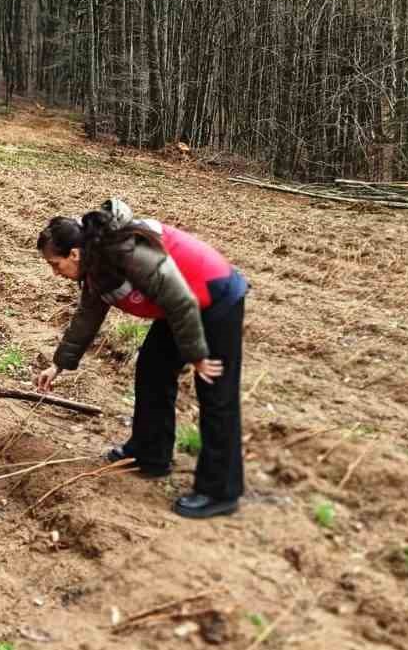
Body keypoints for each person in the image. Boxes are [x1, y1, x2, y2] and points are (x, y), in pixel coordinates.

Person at [33, 198, 248, 519]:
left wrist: (198, 356)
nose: (55, 272)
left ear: (74, 254)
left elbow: (180, 299)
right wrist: (59, 364)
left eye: (55, 264)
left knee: (216, 392)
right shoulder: (95, 264)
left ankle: (220, 491)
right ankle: (150, 454)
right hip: (179, 308)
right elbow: (87, 317)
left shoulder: (128, 254)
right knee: (153, 370)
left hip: (213, 296)